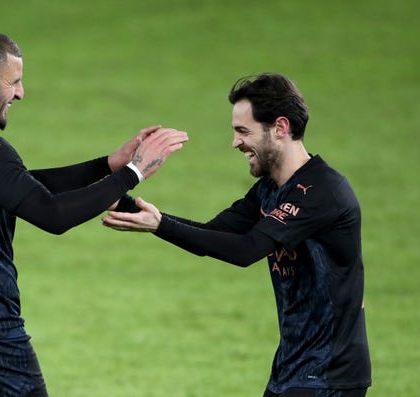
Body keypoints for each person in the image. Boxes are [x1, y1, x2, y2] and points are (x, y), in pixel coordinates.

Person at [0, 28, 188, 397]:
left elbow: (20, 187)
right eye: (15, 82)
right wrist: (134, 172)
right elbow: (51, 214)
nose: (20, 92)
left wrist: (107, 165)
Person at [103, 73, 371, 397]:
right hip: (292, 369)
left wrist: (159, 225)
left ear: (281, 128)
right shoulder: (270, 190)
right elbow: (211, 234)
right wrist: (132, 206)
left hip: (329, 375)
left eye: (243, 131)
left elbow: (247, 250)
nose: (235, 142)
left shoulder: (320, 191)